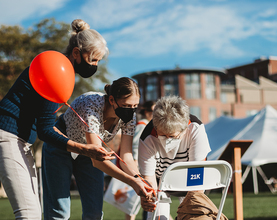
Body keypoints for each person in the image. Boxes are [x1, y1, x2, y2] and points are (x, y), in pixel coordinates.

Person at [0, 19, 115, 220]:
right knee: (29, 214)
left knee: (34, 213)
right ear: (77, 53)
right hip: (8, 135)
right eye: (93, 59)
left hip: (21, 140)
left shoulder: (63, 68)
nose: (95, 65)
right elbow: (45, 130)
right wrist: (84, 149)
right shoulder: (56, 69)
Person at [42, 77, 154, 220]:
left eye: (135, 106)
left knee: (95, 213)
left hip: (91, 153)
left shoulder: (129, 117)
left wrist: (139, 179)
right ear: (112, 100)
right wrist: (132, 182)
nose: (131, 111)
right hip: (62, 146)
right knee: (59, 211)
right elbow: (97, 161)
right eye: (126, 106)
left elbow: (126, 156)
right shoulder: (91, 104)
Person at [138, 96, 211, 220]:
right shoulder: (147, 137)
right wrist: (150, 198)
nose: (167, 140)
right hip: (160, 182)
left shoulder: (195, 128)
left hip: (190, 180)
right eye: (162, 135)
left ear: (184, 130)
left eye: (172, 136)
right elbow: (149, 178)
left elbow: (196, 177)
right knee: (158, 217)